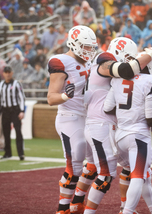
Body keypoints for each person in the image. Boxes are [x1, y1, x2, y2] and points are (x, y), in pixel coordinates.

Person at [77, 38, 152, 214]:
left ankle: (79, 204)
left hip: (98, 124)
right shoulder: (106, 62)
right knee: (106, 175)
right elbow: (128, 70)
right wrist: (151, 53)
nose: (131, 60)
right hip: (102, 125)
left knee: (125, 166)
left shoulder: (103, 68)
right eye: (129, 56)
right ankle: (82, 210)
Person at [103, 52, 152, 214]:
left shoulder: (117, 79)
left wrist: (126, 112)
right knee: (138, 177)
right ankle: (127, 211)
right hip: (138, 136)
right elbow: (150, 115)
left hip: (120, 137)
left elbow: (107, 108)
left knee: (145, 176)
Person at [46, 25, 98, 214]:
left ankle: (77, 202)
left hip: (88, 118)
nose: (89, 51)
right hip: (70, 118)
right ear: (74, 44)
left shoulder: (89, 62)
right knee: (75, 165)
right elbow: (51, 97)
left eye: (91, 47)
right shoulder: (61, 61)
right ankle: (62, 210)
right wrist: (65, 96)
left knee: (94, 165)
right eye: (85, 47)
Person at [0, 66, 25, 161]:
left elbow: (21, 97)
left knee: (18, 132)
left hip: (15, 111)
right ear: (3, 74)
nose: (7, 74)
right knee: (6, 133)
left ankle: (21, 153)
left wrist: (22, 111)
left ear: (12, 73)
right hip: (5, 111)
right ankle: (8, 153)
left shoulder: (16, 83)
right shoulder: (1, 85)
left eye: (9, 72)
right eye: (6, 72)